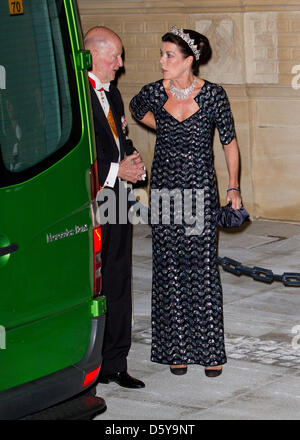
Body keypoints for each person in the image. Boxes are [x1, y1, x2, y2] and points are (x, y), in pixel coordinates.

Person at [130, 26, 242, 377]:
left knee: (202, 268)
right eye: (162, 54)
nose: (162, 61)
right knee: (168, 268)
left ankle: (210, 353)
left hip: (200, 190)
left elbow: (229, 142)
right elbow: (135, 108)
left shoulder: (213, 96)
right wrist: (162, 126)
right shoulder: (153, 92)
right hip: (164, 190)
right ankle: (175, 350)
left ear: (188, 60)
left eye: (169, 55)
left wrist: (233, 186)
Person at [84, 26, 145, 388]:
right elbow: (78, 151)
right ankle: (89, 362)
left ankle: (115, 362)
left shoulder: (114, 94)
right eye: (115, 56)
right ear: (93, 56)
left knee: (119, 278)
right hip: (90, 200)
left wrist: (132, 162)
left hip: (118, 200)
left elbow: (117, 138)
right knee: (93, 281)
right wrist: (113, 170)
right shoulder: (75, 96)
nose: (120, 64)